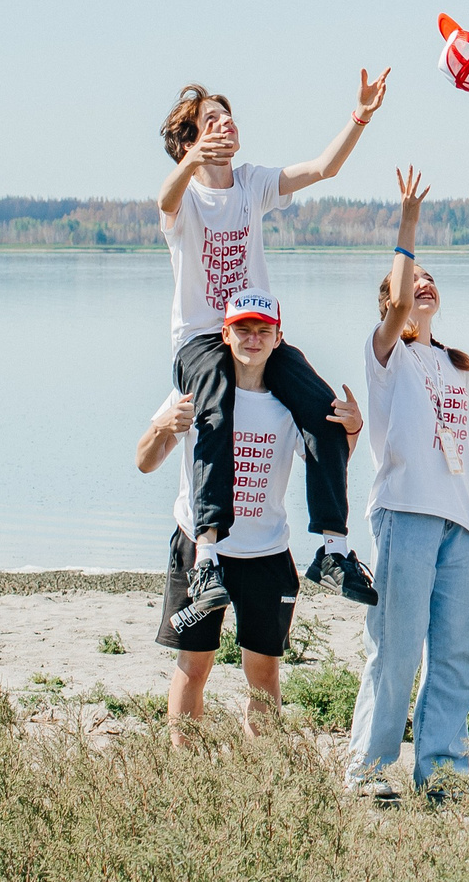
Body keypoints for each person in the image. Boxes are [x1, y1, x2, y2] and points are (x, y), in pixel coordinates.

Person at [156, 78, 386, 627]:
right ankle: (207, 559)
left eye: (227, 116)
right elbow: (163, 201)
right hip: (203, 338)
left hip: (258, 327)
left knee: (325, 409)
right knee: (215, 414)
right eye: (211, 119)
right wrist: (190, 162)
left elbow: (323, 168)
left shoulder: (253, 183)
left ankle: (332, 549)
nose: (225, 124)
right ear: (189, 138)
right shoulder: (185, 193)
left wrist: (360, 115)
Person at [137, 296, 361, 742]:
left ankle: (261, 777)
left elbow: (331, 461)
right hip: (200, 550)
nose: (253, 339)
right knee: (194, 664)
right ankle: (187, 776)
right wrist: (164, 426)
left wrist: (352, 428)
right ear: (225, 334)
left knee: (264, 674)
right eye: (243, 329)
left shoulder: (290, 404)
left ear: (279, 338)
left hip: (266, 552)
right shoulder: (194, 392)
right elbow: (145, 462)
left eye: (263, 331)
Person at [346, 168, 469, 801]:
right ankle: (371, 770)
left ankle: (441, 772)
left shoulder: (455, 364)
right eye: (413, 282)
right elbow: (401, 303)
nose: (423, 285)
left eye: (433, 277)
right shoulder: (388, 354)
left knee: (460, 650)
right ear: (394, 300)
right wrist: (408, 224)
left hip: (457, 522)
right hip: (405, 513)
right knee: (397, 647)